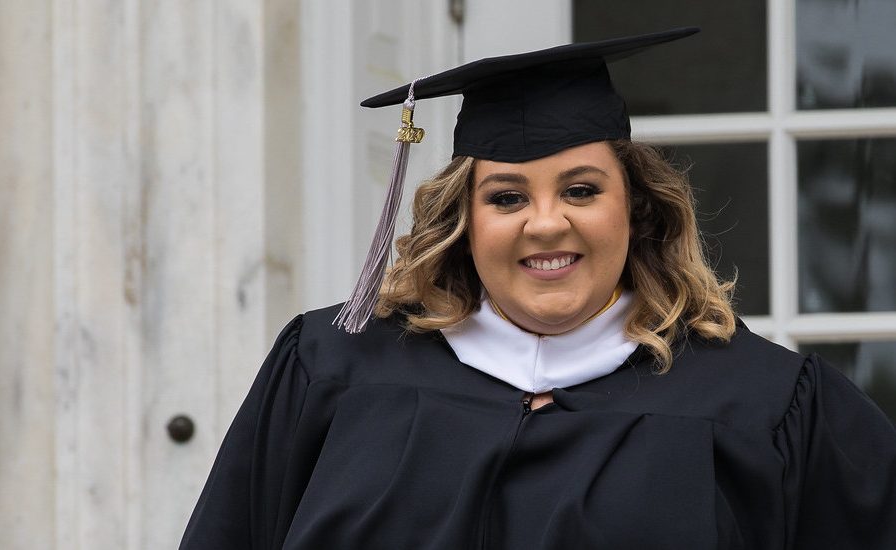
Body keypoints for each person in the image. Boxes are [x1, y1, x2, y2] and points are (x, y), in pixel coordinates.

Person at [180, 28, 896, 549]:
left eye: (581, 190)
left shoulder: (766, 405)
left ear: (636, 207)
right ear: (464, 220)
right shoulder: (333, 367)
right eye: (507, 198)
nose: (545, 224)